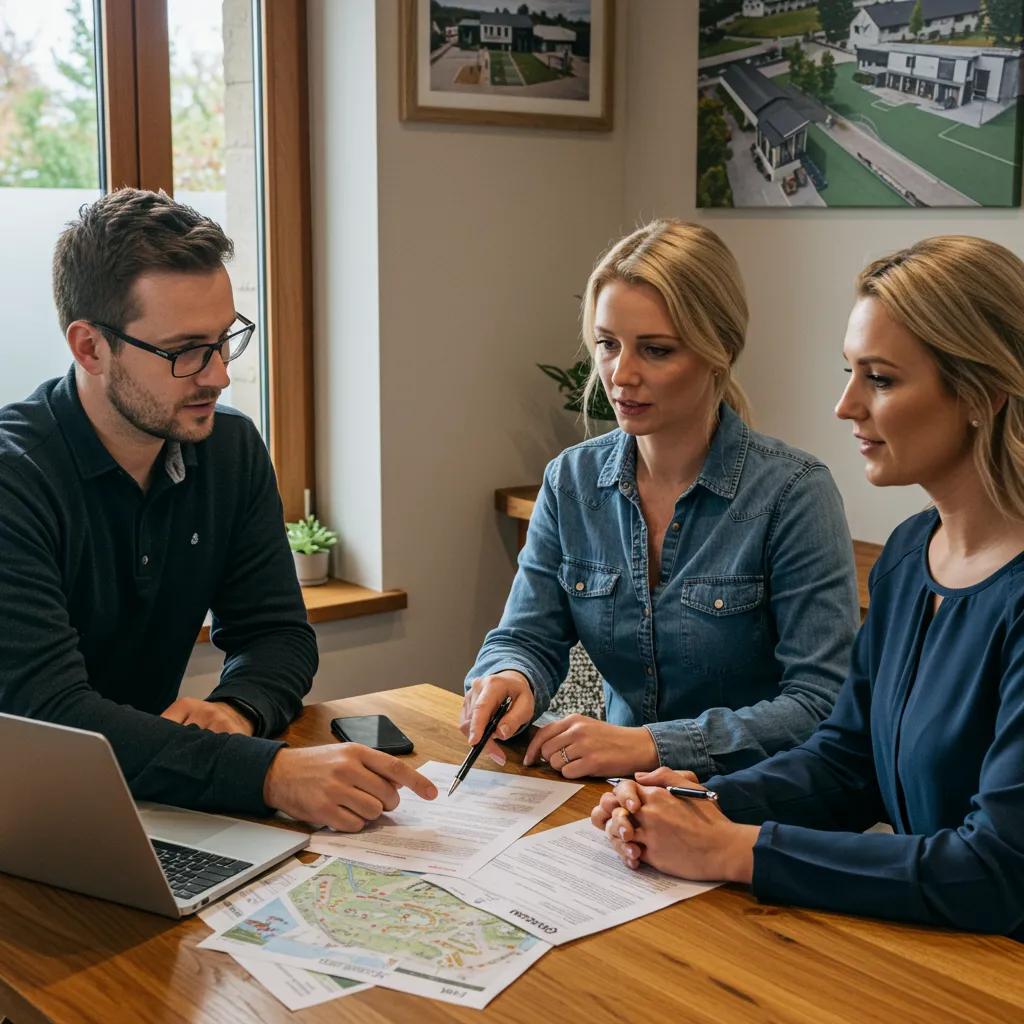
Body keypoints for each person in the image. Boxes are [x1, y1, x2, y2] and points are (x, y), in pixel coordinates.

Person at [593, 235, 1024, 939]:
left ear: (984, 393)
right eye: (850, 372)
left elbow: (998, 871)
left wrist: (737, 849)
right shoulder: (912, 555)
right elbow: (849, 764)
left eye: (880, 379)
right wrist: (701, 798)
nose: (844, 405)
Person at [0, 189, 436, 832]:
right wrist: (268, 774)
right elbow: (52, 714)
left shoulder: (227, 447)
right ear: (90, 348)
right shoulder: (17, 478)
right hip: (27, 814)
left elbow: (276, 633)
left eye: (225, 341)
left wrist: (236, 709)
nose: (219, 377)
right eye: (185, 351)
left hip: (149, 800)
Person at [461, 220, 859, 779]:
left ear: (718, 350)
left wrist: (652, 745)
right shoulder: (571, 481)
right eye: (607, 344)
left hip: (750, 807)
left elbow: (821, 704)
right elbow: (527, 635)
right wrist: (510, 676)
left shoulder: (794, 494)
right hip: (618, 802)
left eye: (655, 350)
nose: (620, 375)